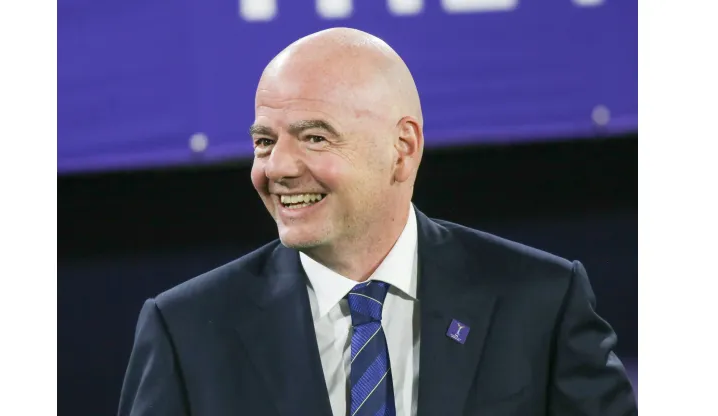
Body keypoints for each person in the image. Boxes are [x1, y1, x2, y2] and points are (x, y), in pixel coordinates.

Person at [118, 27, 637, 416]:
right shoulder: (186, 331)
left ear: (402, 148)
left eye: (315, 137)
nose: (277, 167)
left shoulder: (541, 299)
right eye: (264, 142)